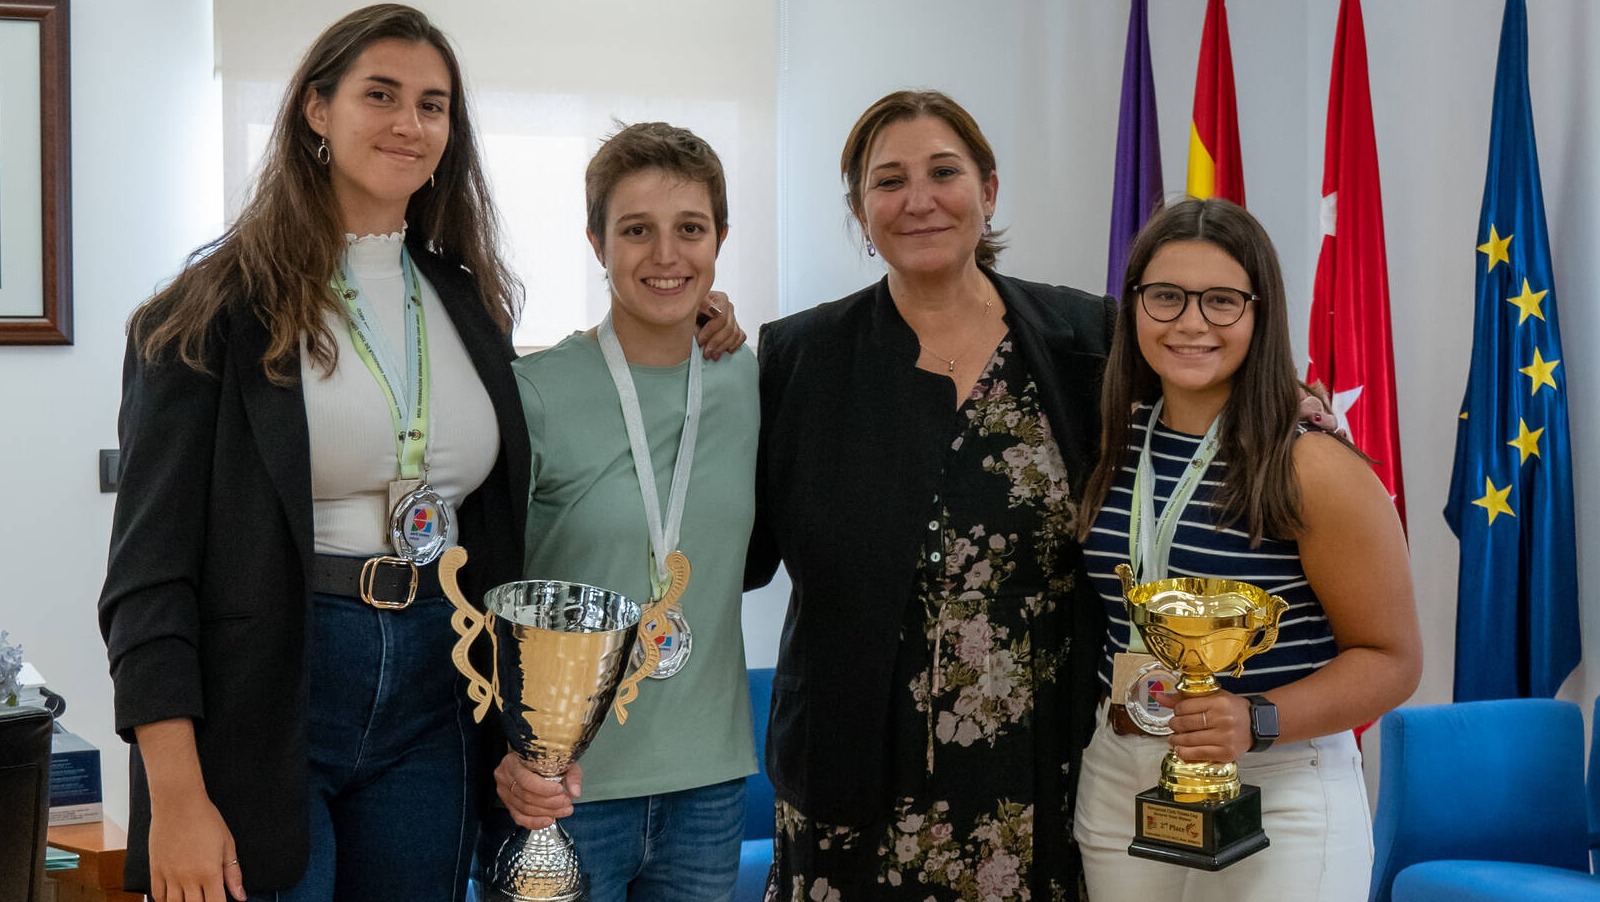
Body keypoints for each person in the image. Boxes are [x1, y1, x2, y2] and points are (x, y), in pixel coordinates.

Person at [96, 8, 743, 902]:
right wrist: (175, 795)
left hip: (440, 686)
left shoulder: (465, 297)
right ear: (316, 111)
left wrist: (697, 315)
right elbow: (146, 581)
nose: (410, 123)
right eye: (382, 96)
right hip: (275, 686)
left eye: (433, 105)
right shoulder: (206, 311)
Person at [745, 90, 1114, 901]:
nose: (918, 200)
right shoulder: (795, 358)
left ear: (987, 190)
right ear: (858, 209)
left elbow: (1202, 401)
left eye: (943, 172)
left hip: (1039, 756)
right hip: (851, 759)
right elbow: (742, 553)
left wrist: (1291, 402)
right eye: (889, 181)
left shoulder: (1090, 340)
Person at [1072, 197, 1422, 902]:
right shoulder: (1109, 440)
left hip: (1277, 780)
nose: (1191, 322)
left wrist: (1257, 719)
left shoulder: (1311, 465)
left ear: (1260, 313)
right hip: (1120, 774)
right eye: (1166, 297)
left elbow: (1393, 660)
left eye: (1222, 301)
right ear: (1133, 305)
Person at [490, 122, 758, 901]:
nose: (667, 256)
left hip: (709, 788)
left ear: (720, 240)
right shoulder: (533, 392)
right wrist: (503, 754)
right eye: (636, 231)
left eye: (690, 230)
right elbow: (488, 597)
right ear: (596, 242)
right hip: (561, 788)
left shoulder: (747, 377)